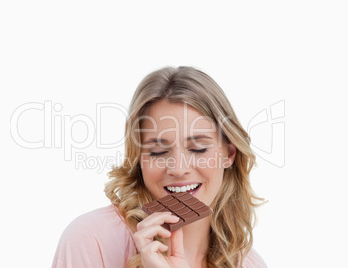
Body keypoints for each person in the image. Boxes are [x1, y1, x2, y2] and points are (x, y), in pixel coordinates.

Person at [52, 66, 267, 268]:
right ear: (139, 159)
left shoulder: (249, 263)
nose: (178, 168)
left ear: (228, 154)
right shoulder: (92, 239)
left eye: (199, 149)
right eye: (158, 152)